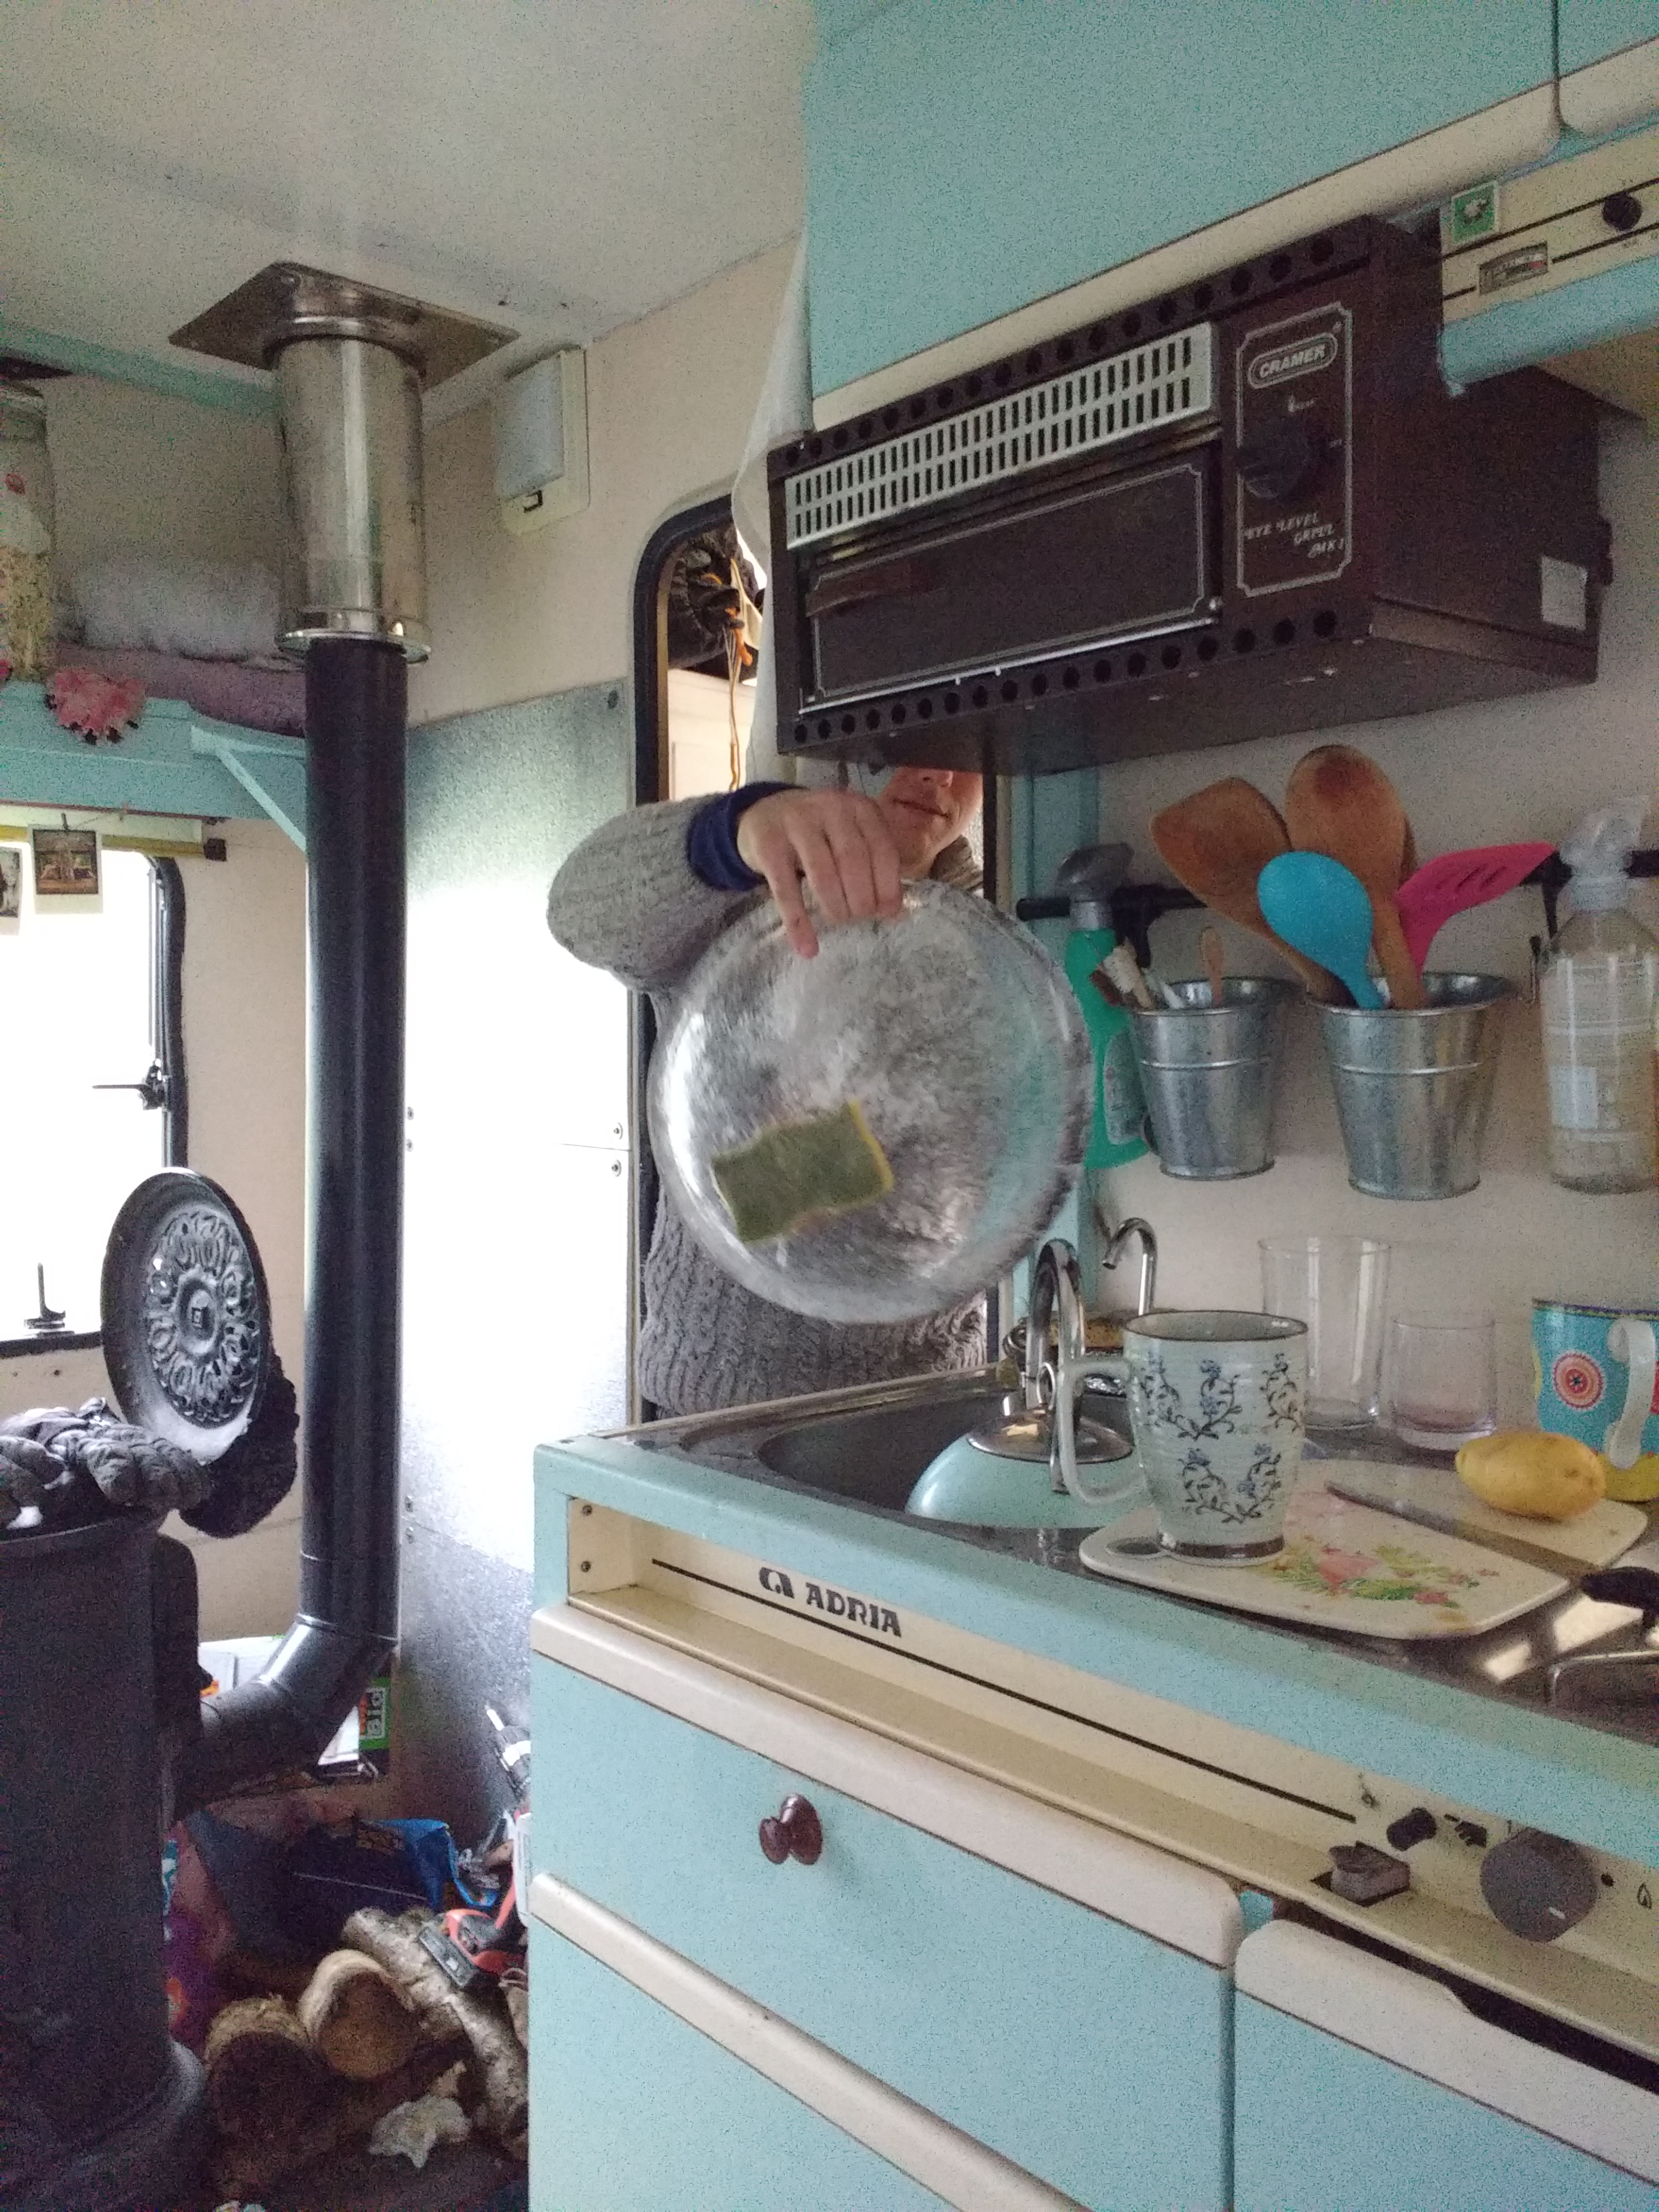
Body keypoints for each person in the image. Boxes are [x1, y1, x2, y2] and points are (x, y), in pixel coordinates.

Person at [547, 765, 985, 1417]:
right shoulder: (737, 907)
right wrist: (733, 833)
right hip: (720, 1411)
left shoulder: (990, 934)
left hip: (930, 1403)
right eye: (911, 741)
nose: (937, 772)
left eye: (960, 751)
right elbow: (578, 910)